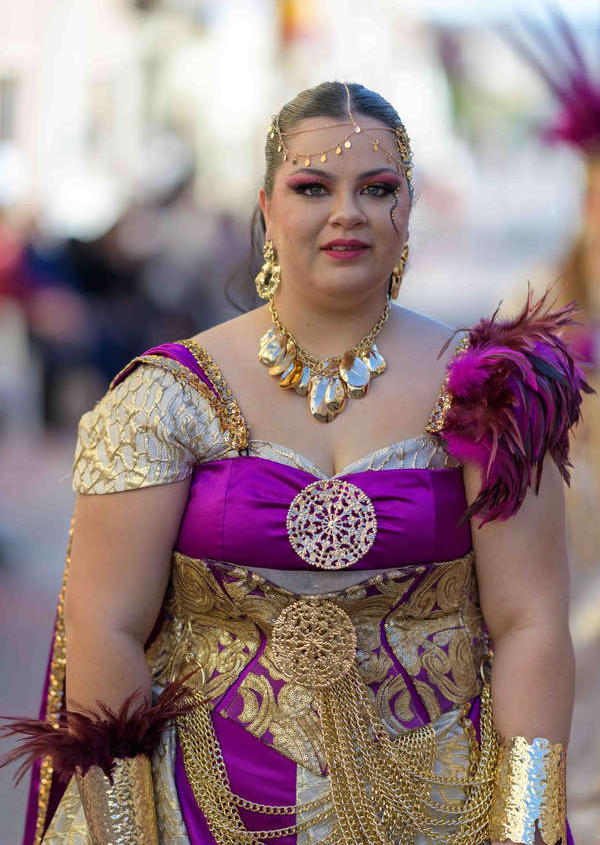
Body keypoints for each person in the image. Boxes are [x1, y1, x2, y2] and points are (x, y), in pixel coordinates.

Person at [2, 81, 593, 844]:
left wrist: (525, 826)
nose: (347, 212)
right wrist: (125, 832)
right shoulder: (166, 396)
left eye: (377, 188)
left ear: (409, 208)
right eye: (313, 187)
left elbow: (530, 624)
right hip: (198, 807)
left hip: (443, 808)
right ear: (267, 208)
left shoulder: (493, 389)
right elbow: (106, 626)